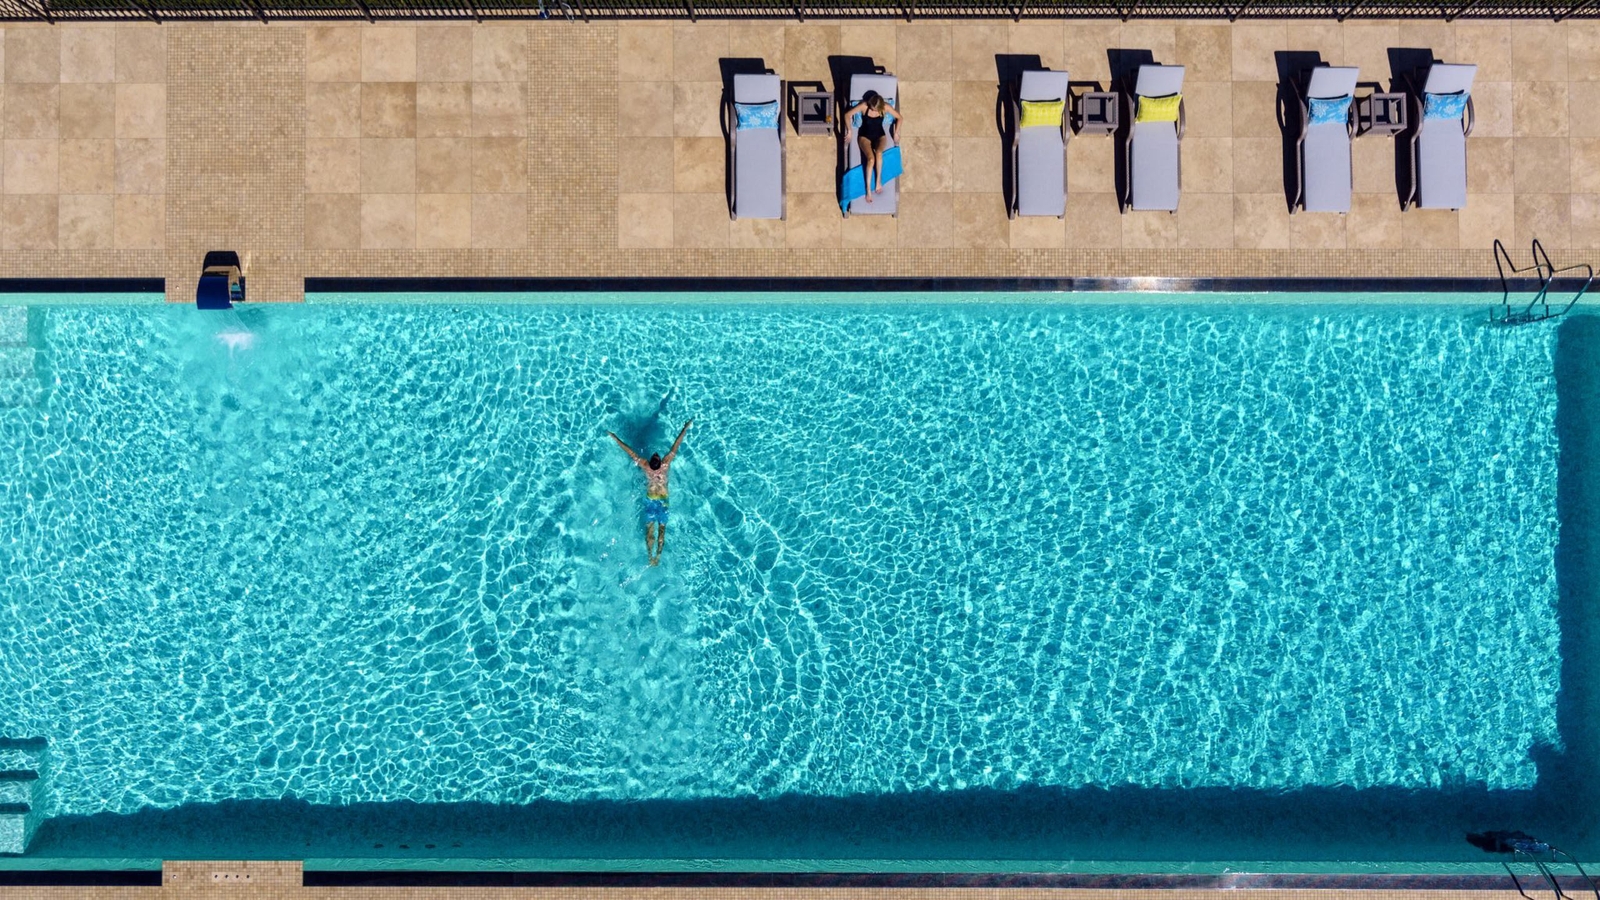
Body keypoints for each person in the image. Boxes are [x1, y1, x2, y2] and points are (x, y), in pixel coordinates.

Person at [608, 419, 691, 566]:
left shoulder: (645, 465)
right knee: (662, 531)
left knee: (650, 531)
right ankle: (658, 556)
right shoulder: (665, 465)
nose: (656, 454)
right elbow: (675, 446)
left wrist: (615, 438)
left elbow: (630, 452)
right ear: (659, 462)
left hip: (651, 500)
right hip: (663, 500)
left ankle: (650, 556)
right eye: (657, 456)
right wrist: (684, 428)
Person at [841, 90, 903, 202]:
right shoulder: (864, 106)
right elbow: (847, 115)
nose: (873, 111)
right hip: (864, 136)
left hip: (880, 136)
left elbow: (900, 118)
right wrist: (849, 131)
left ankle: (878, 181)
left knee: (879, 153)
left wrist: (896, 132)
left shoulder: (885, 107)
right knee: (870, 159)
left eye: (876, 109)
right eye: (872, 108)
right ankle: (868, 189)